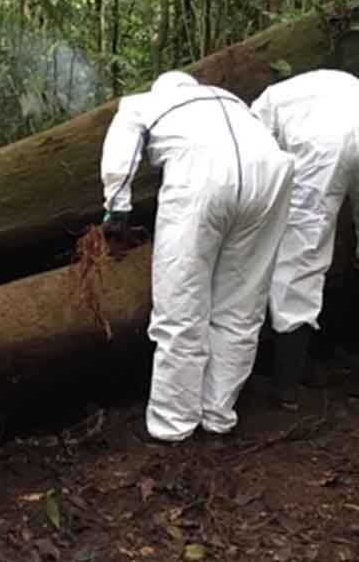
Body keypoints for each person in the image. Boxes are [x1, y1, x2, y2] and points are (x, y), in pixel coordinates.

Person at [99, 71, 294, 444]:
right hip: (270, 176)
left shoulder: (144, 103)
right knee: (241, 306)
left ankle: (172, 426)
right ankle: (218, 415)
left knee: (181, 304)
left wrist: (117, 210)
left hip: (203, 175)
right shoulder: (233, 101)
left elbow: (120, 150)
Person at [250, 69, 359, 407]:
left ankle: (287, 388)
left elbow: (260, 165)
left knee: (300, 260)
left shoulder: (264, 105)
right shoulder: (330, 84)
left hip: (322, 143)